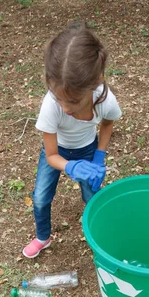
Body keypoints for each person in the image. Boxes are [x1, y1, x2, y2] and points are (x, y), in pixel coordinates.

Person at [22, 22, 122, 258]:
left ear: (94, 83)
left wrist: (98, 157)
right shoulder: (50, 107)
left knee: (92, 195)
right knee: (40, 197)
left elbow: (107, 123)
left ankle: (101, 233)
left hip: (88, 150)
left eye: (74, 102)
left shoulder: (105, 100)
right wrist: (69, 166)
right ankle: (42, 237)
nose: (66, 108)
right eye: (59, 99)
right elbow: (51, 155)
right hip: (58, 153)